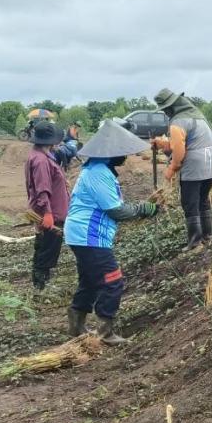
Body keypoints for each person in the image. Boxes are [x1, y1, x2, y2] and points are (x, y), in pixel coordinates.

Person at [63, 119, 161, 344]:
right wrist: (143, 209)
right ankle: (105, 332)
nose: (125, 157)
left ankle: (76, 326)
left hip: (83, 234)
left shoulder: (99, 169)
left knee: (90, 280)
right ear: (110, 152)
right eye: (122, 152)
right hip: (89, 235)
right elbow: (116, 210)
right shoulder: (98, 173)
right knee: (113, 280)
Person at [151, 88, 212, 250]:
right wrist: (163, 144)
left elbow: (179, 151)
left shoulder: (177, 122)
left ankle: (195, 242)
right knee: (203, 199)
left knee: (190, 202)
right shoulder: (197, 115)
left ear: (171, 107)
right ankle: (207, 236)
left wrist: (171, 169)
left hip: (195, 164)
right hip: (211, 161)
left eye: (165, 109)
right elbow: (187, 141)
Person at [24, 119, 70, 297]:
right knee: (48, 248)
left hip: (47, 210)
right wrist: (48, 213)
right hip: (50, 212)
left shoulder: (38, 155)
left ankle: (40, 282)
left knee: (44, 245)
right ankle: (40, 286)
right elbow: (42, 190)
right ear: (50, 140)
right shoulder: (41, 160)